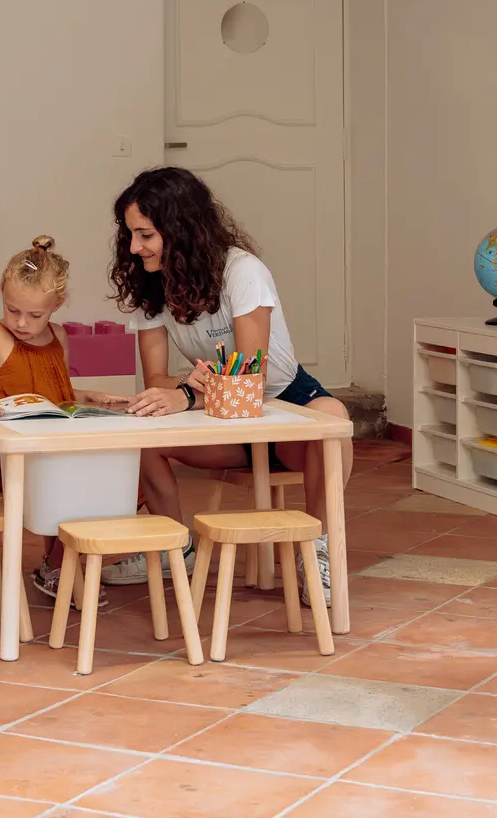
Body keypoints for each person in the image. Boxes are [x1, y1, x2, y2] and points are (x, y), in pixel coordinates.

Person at [112, 167, 353, 604]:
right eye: (130, 234)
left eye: (145, 235)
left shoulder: (242, 271)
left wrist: (187, 391)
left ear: (179, 229)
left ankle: (319, 551)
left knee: (333, 420)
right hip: (220, 414)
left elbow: (250, 377)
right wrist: (190, 387)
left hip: (283, 401)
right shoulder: (152, 285)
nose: (134, 247)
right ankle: (175, 547)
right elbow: (157, 381)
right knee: (141, 434)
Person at [0, 236, 129, 604]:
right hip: (6, 455)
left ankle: (63, 561)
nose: (21, 323)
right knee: (69, 476)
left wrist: (90, 397)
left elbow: (58, 395)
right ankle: (60, 567)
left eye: (34, 315)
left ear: (56, 306)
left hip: (48, 448)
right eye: (12, 310)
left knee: (98, 468)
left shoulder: (59, 337)